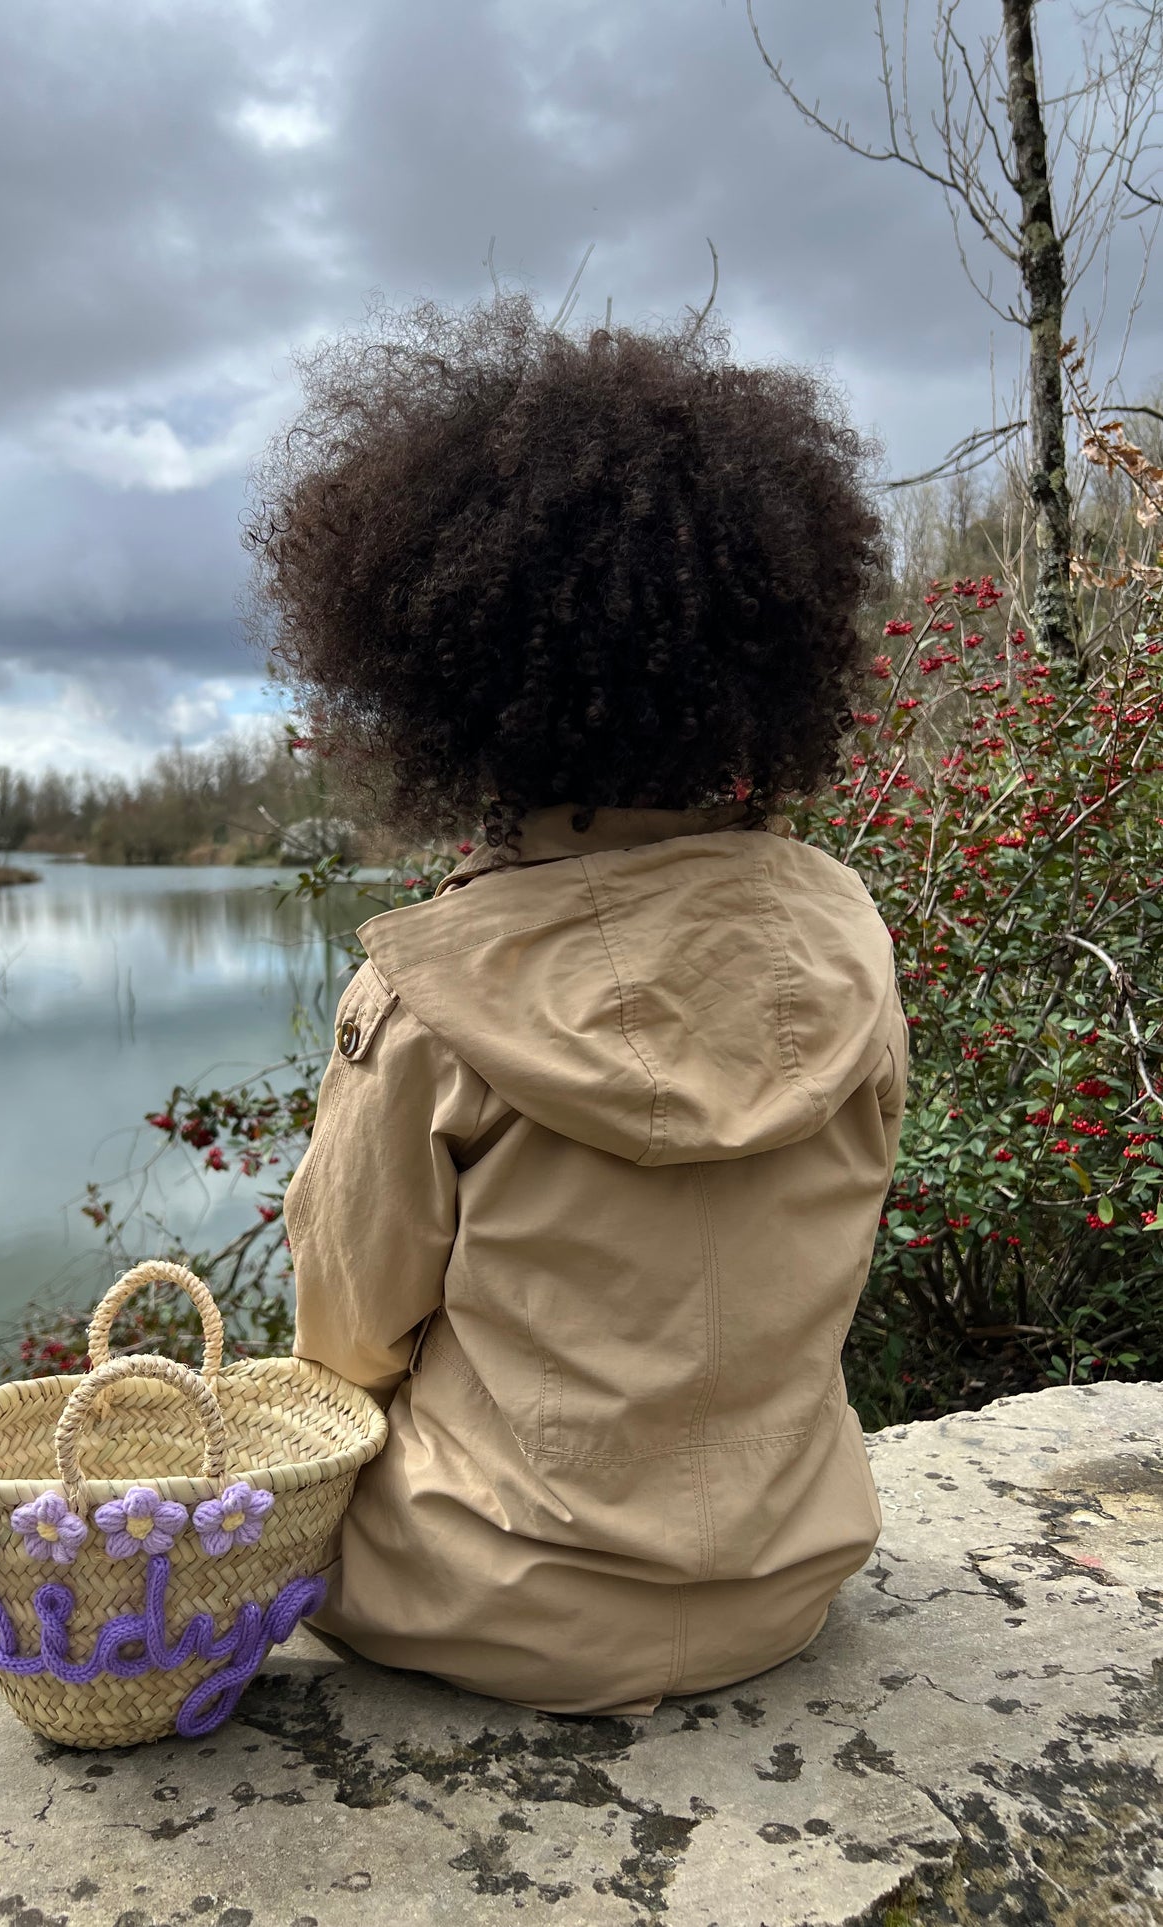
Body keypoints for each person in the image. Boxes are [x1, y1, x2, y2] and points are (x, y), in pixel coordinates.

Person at [239, 290, 909, 1717]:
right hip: (787, 1578)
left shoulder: (426, 993)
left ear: (439, 682)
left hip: (474, 1601)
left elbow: (344, 1338)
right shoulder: (843, 939)